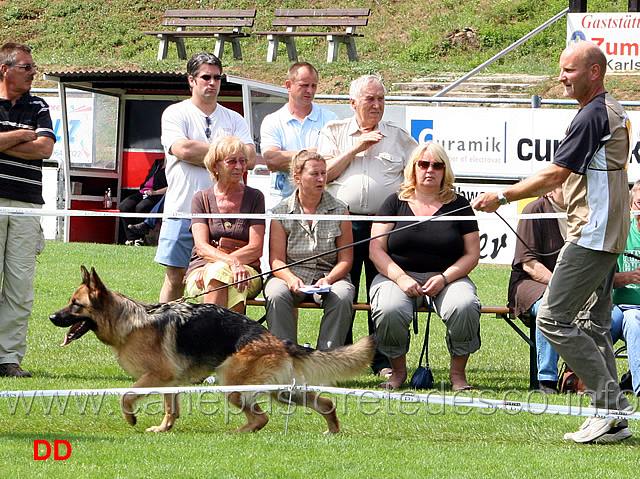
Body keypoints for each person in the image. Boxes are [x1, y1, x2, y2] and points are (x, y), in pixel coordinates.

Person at [472, 41, 632, 443]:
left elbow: (555, 176)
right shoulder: (609, 109)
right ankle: (610, 419)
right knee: (594, 324)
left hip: (591, 234)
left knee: (553, 319)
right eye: (562, 70)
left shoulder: (593, 114)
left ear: (594, 72)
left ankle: (610, 403)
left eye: (569, 70)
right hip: (605, 232)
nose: (561, 77)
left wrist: (502, 197)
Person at [316, 74, 418, 372]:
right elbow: (322, 175)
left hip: (383, 227)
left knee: (382, 291)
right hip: (342, 224)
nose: (376, 105)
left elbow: (416, 178)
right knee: (342, 290)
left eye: (381, 99)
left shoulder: (399, 137)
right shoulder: (333, 132)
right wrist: (354, 149)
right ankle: (343, 358)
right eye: (370, 99)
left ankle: (382, 360)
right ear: (353, 103)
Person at [369, 142, 481, 390]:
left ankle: (458, 377)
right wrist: (400, 279)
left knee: (464, 305)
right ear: (413, 168)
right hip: (396, 277)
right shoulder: (393, 202)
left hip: (447, 278)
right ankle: (397, 373)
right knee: (388, 309)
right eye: (424, 164)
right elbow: (376, 249)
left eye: (437, 165)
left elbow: (472, 254)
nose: (430, 170)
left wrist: (444, 277)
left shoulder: (459, 205)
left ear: (445, 170)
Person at [156, 52, 256, 303]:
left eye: (217, 78)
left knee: (221, 276)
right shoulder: (175, 113)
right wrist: (229, 155)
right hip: (182, 209)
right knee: (176, 277)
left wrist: (210, 155)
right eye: (206, 77)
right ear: (192, 80)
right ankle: (163, 336)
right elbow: (183, 150)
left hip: (227, 216)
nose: (212, 83)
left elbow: (251, 159)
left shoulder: (234, 118)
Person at [508, 187, 624, 394]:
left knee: (612, 316)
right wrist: (564, 288)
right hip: (535, 285)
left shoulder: (587, 212)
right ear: (550, 190)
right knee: (552, 307)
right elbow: (529, 264)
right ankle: (547, 379)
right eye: (566, 185)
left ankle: (576, 373)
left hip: (580, 286)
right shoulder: (534, 210)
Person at [0, 42, 55, 377]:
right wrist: (22, 134)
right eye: (27, 67)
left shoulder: (38, 104)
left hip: (26, 204)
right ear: (5, 69)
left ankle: (8, 358)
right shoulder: (27, 118)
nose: (34, 72)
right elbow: (33, 143)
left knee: (20, 286)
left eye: (33, 67)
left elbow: (45, 148)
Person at [264, 151, 354, 350]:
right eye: (314, 174)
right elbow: (276, 260)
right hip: (292, 276)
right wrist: (289, 278)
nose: (321, 178)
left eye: (323, 173)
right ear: (297, 178)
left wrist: (329, 280)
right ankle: (286, 359)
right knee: (275, 293)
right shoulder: (281, 211)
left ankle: (325, 362)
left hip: (328, 276)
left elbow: (346, 259)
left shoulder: (340, 209)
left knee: (344, 294)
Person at [184, 136, 264, 313]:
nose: (239, 167)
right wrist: (231, 263)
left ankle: (211, 339)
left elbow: (256, 248)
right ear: (215, 166)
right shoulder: (201, 199)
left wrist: (224, 265)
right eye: (232, 161)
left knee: (224, 276)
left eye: (242, 161)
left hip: (246, 269)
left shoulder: (255, 197)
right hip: (202, 269)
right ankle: (234, 340)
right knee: (226, 280)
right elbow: (202, 248)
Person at [260, 62, 338, 205]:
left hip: (321, 205)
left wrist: (289, 157)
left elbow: (336, 161)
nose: (310, 90)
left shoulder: (330, 119)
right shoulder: (272, 121)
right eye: (304, 85)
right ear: (288, 85)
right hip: (283, 204)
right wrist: (316, 153)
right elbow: (272, 160)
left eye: (314, 86)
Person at [611, 179, 640, 397]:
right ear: (630, 206)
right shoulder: (618, 234)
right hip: (616, 306)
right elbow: (601, 279)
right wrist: (628, 277)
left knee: (634, 321)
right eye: (639, 204)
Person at [120, 157, 166, 245]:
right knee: (124, 206)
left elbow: (171, 187)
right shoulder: (158, 163)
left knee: (141, 207)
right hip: (144, 192)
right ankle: (132, 239)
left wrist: (155, 192)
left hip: (158, 194)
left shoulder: (175, 167)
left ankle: (140, 239)